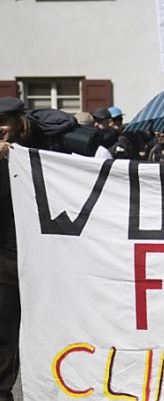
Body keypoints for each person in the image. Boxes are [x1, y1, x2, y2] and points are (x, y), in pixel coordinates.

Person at [0, 97, 28, 401]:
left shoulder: (38, 153)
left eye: (4, 121)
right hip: (5, 260)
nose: (0, 128)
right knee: (5, 331)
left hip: (37, 257)